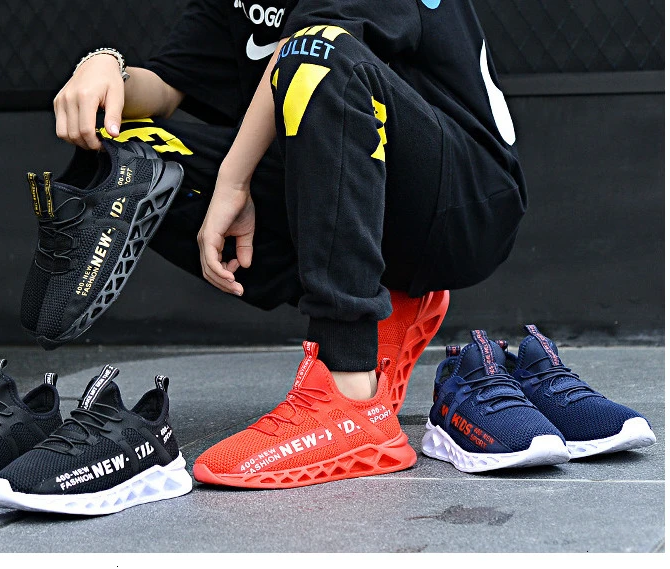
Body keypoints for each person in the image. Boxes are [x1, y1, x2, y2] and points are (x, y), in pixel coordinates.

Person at [43, 0, 526, 488]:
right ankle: (387, 304)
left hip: (462, 203)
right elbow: (167, 88)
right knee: (129, 157)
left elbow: (311, 46)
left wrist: (234, 179)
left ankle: (349, 393)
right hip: (348, 184)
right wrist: (106, 66)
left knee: (317, 52)